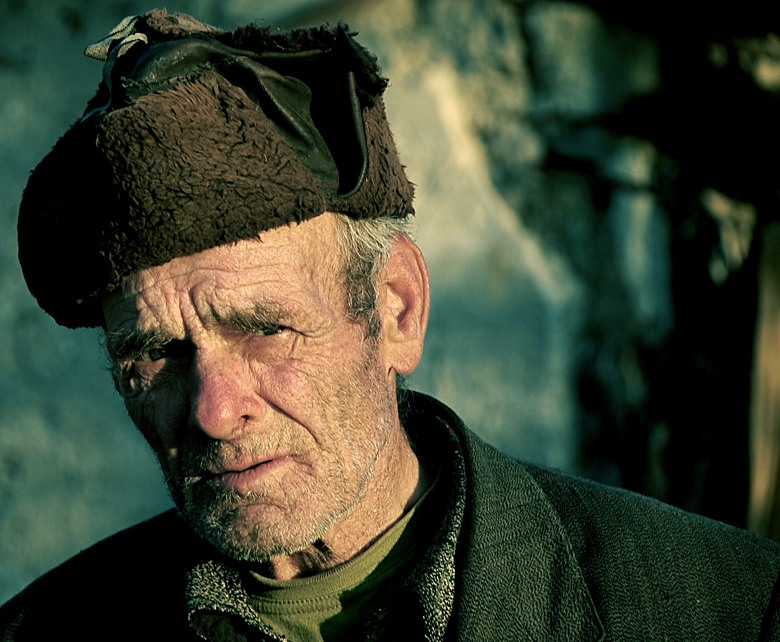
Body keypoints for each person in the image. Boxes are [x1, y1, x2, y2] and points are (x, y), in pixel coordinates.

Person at [1, 8, 779, 641]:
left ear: (397, 309)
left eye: (265, 329)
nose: (212, 410)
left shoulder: (731, 608)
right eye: (157, 354)